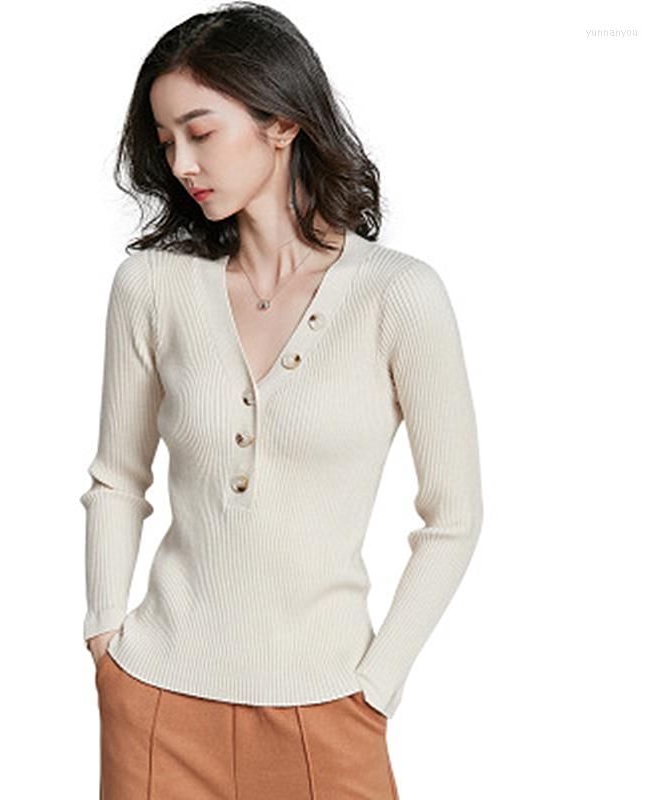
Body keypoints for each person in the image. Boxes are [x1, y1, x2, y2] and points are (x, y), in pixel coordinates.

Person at [80, 3, 483, 798]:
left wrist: (377, 685)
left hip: (329, 710)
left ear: (283, 123)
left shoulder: (398, 295)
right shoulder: (151, 287)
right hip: (157, 699)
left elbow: (454, 516)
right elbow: (116, 479)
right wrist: (105, 638)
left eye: (201, 132)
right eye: (165, 141)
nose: (182, 162)